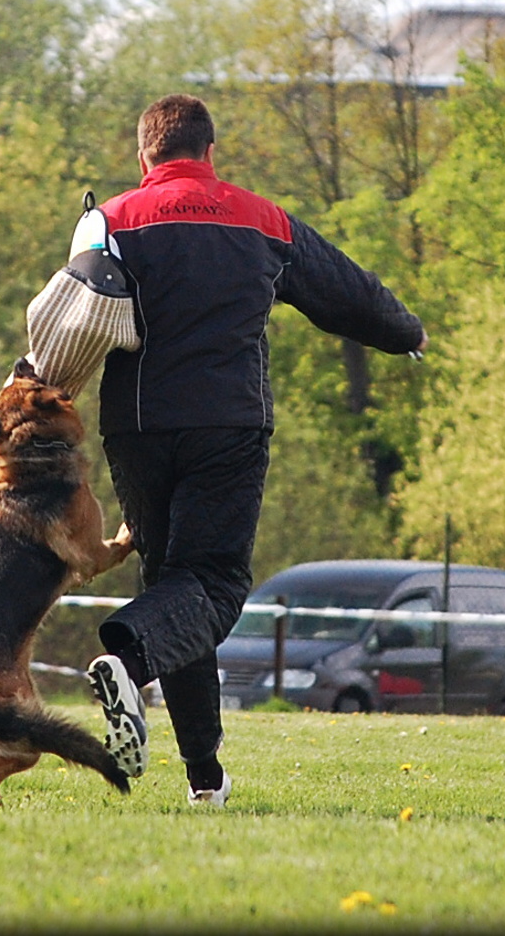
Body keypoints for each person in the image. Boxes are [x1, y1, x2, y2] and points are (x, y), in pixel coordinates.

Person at [73, 94, 428, 808]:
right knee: (214, 584)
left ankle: (206, 780)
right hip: (227, 427)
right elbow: (344, 291)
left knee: (178, 588)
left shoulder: (108, 218)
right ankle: (127, 656)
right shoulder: (259, 217)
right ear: (210, 154)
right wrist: (405, 333)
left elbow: (69, 310)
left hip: (134, 428)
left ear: (144, 157)